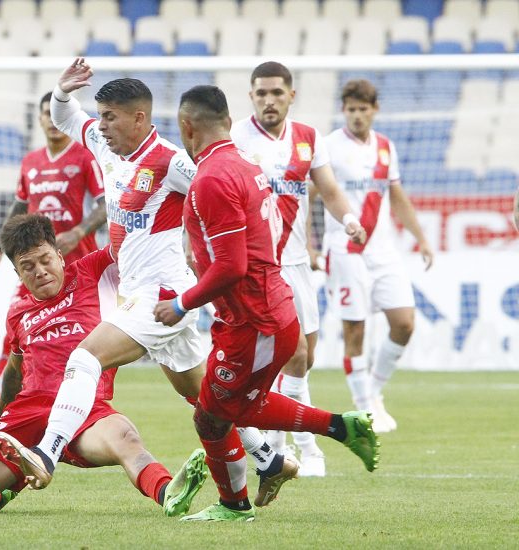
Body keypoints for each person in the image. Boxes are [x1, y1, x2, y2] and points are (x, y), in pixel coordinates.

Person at [0, 58, 277, 497]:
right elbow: (66, 117)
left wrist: (216, 250)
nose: (101, 125)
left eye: (110, 117)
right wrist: (63, 91)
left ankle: (47, 453)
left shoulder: (171, 162)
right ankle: (269, 457)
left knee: (84, 359)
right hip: (141, 295)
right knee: (205, 397)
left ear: (139, 118)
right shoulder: (106, 147)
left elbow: (220, 190)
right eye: (100, 116)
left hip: (163, 297)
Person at [153, 85, 379, 522]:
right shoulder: (245, 165)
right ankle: (337, 428)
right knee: (237, 407)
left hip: (254, 322)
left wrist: (181, 303)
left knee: (211, 418)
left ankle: (234, 505)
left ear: (186, 126)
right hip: (265, 312)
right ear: (228, 120)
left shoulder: (212, 178)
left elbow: (232, 265)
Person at [0, 214, 208, 517]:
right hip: (28, 412)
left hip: (87, 410)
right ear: (17, 273)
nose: (40, 271)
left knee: (125, 438)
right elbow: (14, 374)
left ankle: (168, 491)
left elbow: (131, 243)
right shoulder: (18, 314)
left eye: (45, 260)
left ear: (59, 255)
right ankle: (10, 485)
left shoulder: (93, 271)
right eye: (28, 266)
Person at [230, 61, 366, 476]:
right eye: (261, 93)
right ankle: (305, 449)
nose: (269, 100)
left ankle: (280, 444)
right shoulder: (236, 137)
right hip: (258, 267)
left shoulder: (308, 138)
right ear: (251, 97)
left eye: (276, 92)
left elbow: (330, 190)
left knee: (304, 358)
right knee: (295, 354)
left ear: (291, 95)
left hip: (296, 264)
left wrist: (350, 219)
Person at [0, 92, 108, 438]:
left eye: (56, 114)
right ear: (39, 119)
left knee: (76, 343)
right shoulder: (31, 162)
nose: (51, 121)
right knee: (15, 337)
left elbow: (106, 202)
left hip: (75, 269)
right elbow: (19, 208)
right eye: (45, 114)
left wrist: (79, 231)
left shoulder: (85, 156)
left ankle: (78, 409)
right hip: (32, 269)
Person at [324, 79, 434, 432]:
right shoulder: (329, 146)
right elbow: (313, 194)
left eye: (363, 109)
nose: (357, 116)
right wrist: (310, 244)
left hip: (383, 250)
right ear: (344, 111)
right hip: (346, 249)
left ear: (375, 110)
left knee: (404, 323)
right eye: (351, 109)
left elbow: (397, 197)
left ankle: (373, 391)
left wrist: (421, 238)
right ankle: (364, 410)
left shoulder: (385, 147)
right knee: (355, 329)